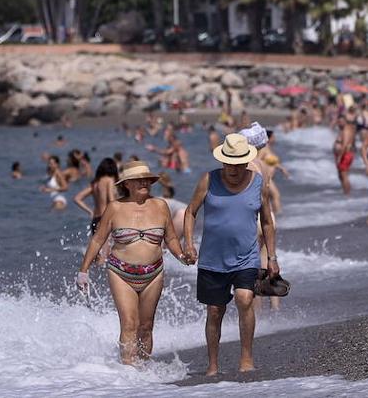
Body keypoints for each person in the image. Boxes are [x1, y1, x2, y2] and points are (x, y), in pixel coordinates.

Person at [77, 161, 194, 366]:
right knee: (129, 324)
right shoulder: (115, 208)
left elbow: (172, 239)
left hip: (153, 273)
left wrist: (182, 256)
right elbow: (98, 239)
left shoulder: (160, 206)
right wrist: (83, 270)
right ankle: (128, 374)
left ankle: (143, 371)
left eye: (147, 179)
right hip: (120, 273)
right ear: (127, 184)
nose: (144, 183)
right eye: (138, 180)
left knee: (146, 326)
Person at [183, 132, 278, 376]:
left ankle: (246, 358)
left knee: (245, 298)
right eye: (228, 163)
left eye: (237, 164)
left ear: (246, 161)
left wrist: (272, 258)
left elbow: (267, 222)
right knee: (214, 311)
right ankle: (213, 364)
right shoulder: (208, 180)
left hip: (246, 257)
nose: (233, 169)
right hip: (212, 260)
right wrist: (189, 243)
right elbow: (190, 211)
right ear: (222, 160)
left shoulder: (259, 184)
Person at [74, 157, 120, 234]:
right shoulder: (109, 180)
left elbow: (77, 198)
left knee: (97, 245)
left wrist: (90, 212)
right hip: (106, 219)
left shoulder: (95, 183)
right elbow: (112, 201)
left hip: (96, 219)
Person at [334, 111, 357, 195]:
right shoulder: (344, 129)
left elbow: (344, 144)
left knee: (344, 175)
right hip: (344, 154)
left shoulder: (346, 130)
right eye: (338, 122)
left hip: (345, 155)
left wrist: (340, 156)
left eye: (341, 121)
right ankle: (346, 193)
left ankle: (347, 194)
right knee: (341, 175)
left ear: (345, 121)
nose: (339, 123)